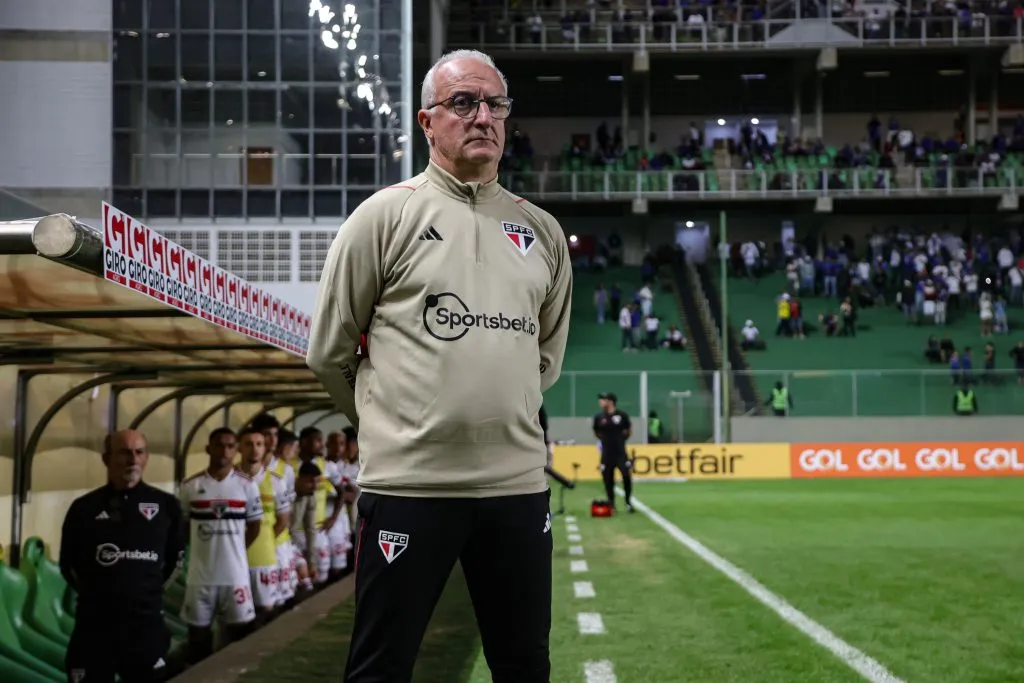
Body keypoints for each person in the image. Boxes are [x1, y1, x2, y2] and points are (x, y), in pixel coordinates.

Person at [306, 48, 572, 683]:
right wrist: (393, 425)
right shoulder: (384, 217)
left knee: (524, 663)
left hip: (516, 489)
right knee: (380, 668)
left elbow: (545, 359)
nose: (482, 116)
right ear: (428, 122)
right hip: (409, 491)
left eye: (494, 104)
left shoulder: (542, 232)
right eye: (463, 103)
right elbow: (329, 354)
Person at [59, 430, 183, 683]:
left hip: (144, 628)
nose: (133, 459)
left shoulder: (166, 506)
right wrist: (101, 594)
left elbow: (175, 561)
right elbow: (67, 564)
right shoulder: (84, 508)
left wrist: (143, 594)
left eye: (139, 452)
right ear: (106, 459)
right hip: (94, 628)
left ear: (146, 457)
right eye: (124, 452)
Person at [178, 428, 262, 662]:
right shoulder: (190, 486)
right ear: (208, 449)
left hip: (235, 576)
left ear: (236, 450)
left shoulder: (247, 486)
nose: (224, 451)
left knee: (241, 637)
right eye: (219, 445)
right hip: (200, 578)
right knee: (198, 640)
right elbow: (183, 527)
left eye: (229, 446)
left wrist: (233, 549)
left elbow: (255, 526)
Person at [235, 427, 291, 617]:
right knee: (236, 615)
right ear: (239, 448)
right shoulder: (230, 479)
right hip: (233, 558)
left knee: (266, 611)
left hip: (264, 557)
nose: (255, 449)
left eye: (259, 444)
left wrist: (263, 540)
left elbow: (283, 520)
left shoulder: (276, 481)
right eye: (248, 444)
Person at [593, 393, 634, 512]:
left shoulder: (622, 415)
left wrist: (620, 440)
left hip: (621, 453)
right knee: (607, 479)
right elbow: (596, 432)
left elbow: (629, 430)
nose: (601, 402)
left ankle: (628, 502)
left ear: (611, 402)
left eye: (603, 400)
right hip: (606, 454)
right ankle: (611, 503)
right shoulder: (599, 417)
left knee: (626, 476)